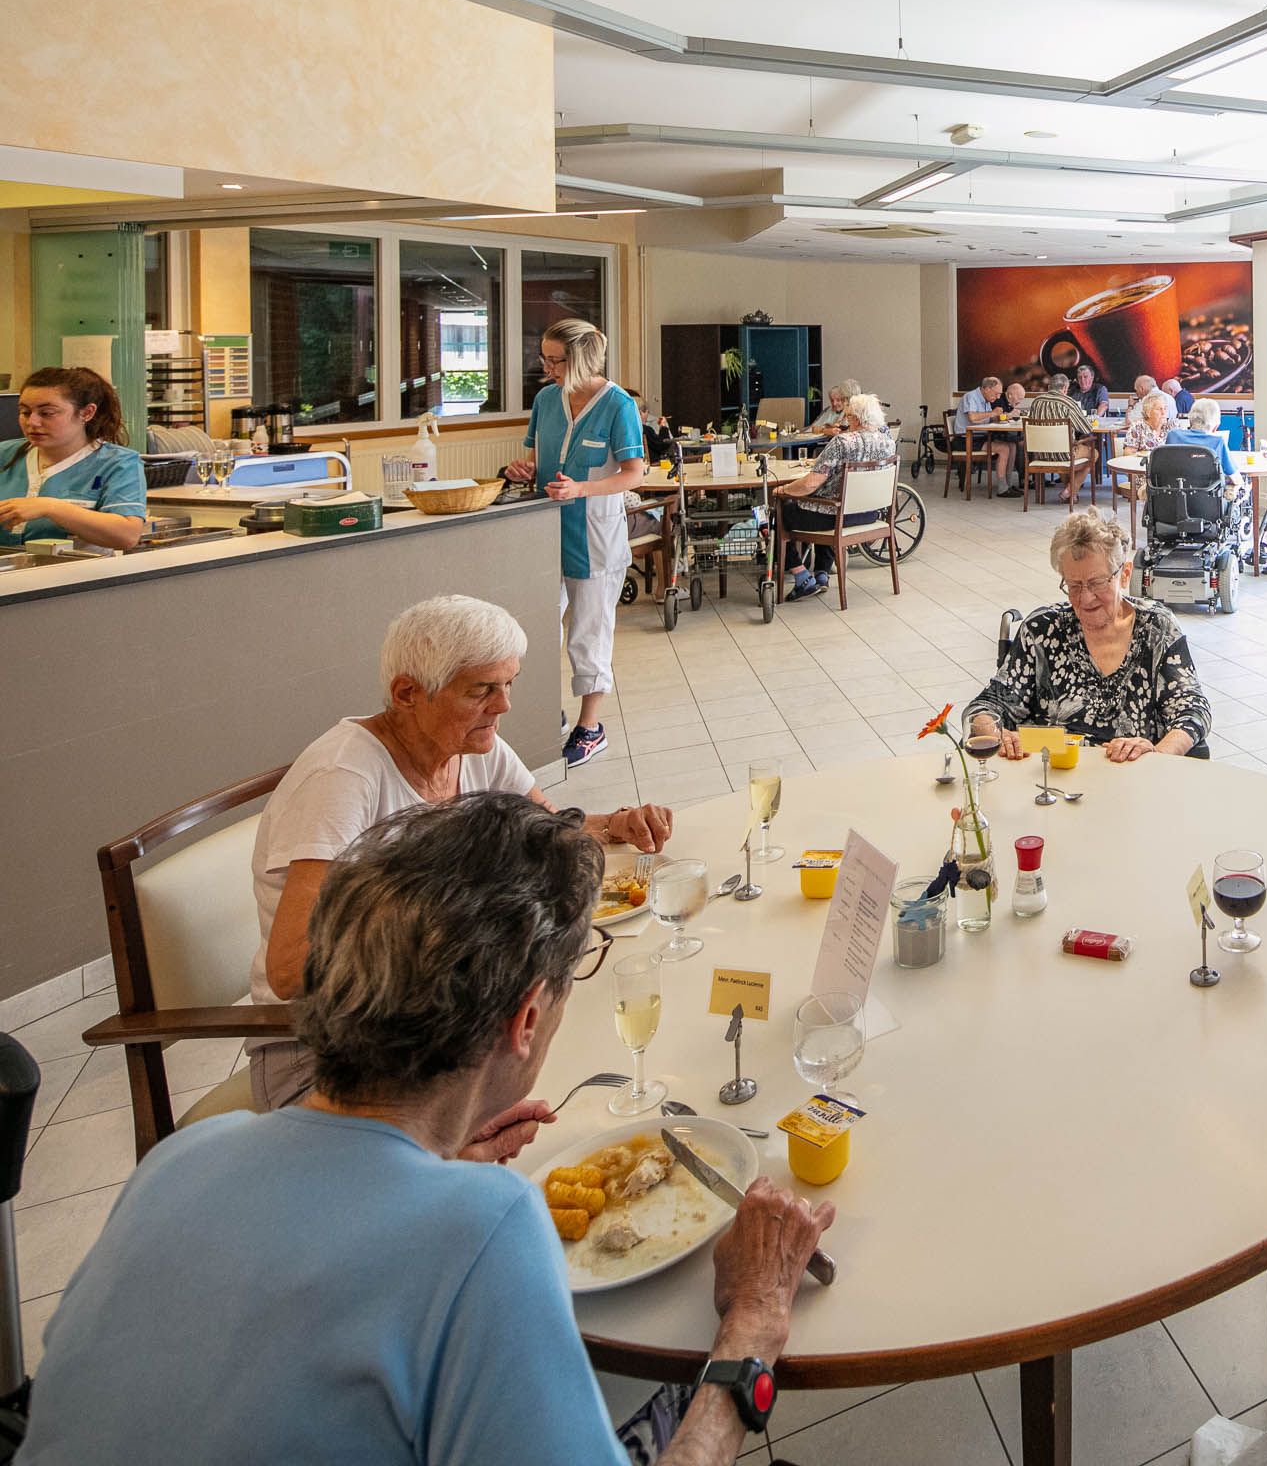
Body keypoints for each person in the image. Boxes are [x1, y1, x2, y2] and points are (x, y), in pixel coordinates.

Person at [23, 794, 833, 1466]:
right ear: (525, 1020)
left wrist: (432, 1158)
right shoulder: (483, 1227)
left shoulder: (183, 1158)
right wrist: (751, 1330)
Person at [247, 594, 673, 1110]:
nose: (504, 705)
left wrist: (615, 824)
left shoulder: (470, 748)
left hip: (438, 1013)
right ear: (408, 693)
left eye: (508, 684)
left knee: (596, 1045)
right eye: (481, 690)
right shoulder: (343, 778)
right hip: (329, 1047)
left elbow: (552, 833)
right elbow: (291, 969)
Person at [501, 319, 646, 769]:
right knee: (535, 630)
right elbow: (538, 458)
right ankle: (550, 713)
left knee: (588, 634)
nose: (546, 368)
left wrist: (581, 490)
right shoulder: (547, 400)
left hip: (595, 537)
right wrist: (523, 470)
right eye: (543, 358)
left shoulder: (618, 405)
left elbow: (633, 473)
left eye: (554, 360)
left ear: (581, 358)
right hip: (546, 533)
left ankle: (590, 727)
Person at [966, 509, 1211, 762]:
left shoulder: (1156, 628)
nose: (1085, 598)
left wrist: (1158, 754)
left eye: (1097, 583)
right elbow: (986, 707)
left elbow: (1192, 711)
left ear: (1124, 574)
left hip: (1131, 778)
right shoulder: (1042, 629)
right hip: (1050, 779)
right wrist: (997, 733)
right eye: (1074, 585)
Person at [0, 366, 147, 551]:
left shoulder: (118, 463)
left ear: (86, 413)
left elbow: (126, 535)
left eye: (47, 413)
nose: (32, 422)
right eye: (25, 412)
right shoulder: (5, 454)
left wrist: (50, 507)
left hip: (77, 576)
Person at [774, 392, 898, 599]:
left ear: (857, 419)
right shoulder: (888, 442)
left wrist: (784, 490)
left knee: (779, 512)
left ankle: (801, 575)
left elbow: (810, 484)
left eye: (847, 416)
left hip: (836, 517)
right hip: (868, 514)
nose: (844, 421)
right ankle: (822, 573)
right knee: (827, 505)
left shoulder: (843, 442)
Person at [1023, 374, 1099, 503]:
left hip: (1040, 454)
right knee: (1093, 453)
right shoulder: (1069, 402)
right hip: (1064, 455)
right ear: (1065, 388)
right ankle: (1070, 490)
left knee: (1064, 451)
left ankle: (1072, 495)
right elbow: (1086, 429)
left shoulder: (1036, 401)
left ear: (1049, 387)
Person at [957, 376, 1019, 495]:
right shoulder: (971, 397)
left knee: (1012, 445)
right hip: (966, 439)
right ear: (987, 389)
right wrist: (992, 413)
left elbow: (987, 419)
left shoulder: (986, 400)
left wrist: (1003, 417)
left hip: (980, 437)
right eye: (996, 394)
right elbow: (973, 418)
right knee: (1004, 449)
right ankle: (1002, 489)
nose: (998, 397)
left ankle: (1008, 484)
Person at [1163, 395, 1237, 480]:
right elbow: (1234, 477)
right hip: (1207, 492)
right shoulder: (1217, 442)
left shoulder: (1173, 436)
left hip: (1174, 490)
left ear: (1190, 420)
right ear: (1215, 426)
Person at [1122, 389, 1175, 455]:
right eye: (1159, 409)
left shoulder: (1172, 426)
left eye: (1165, 408)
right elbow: (1128, 453)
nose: (1163, 413)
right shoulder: (1138, 427)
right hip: (1144, 464)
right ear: (1148, 412)